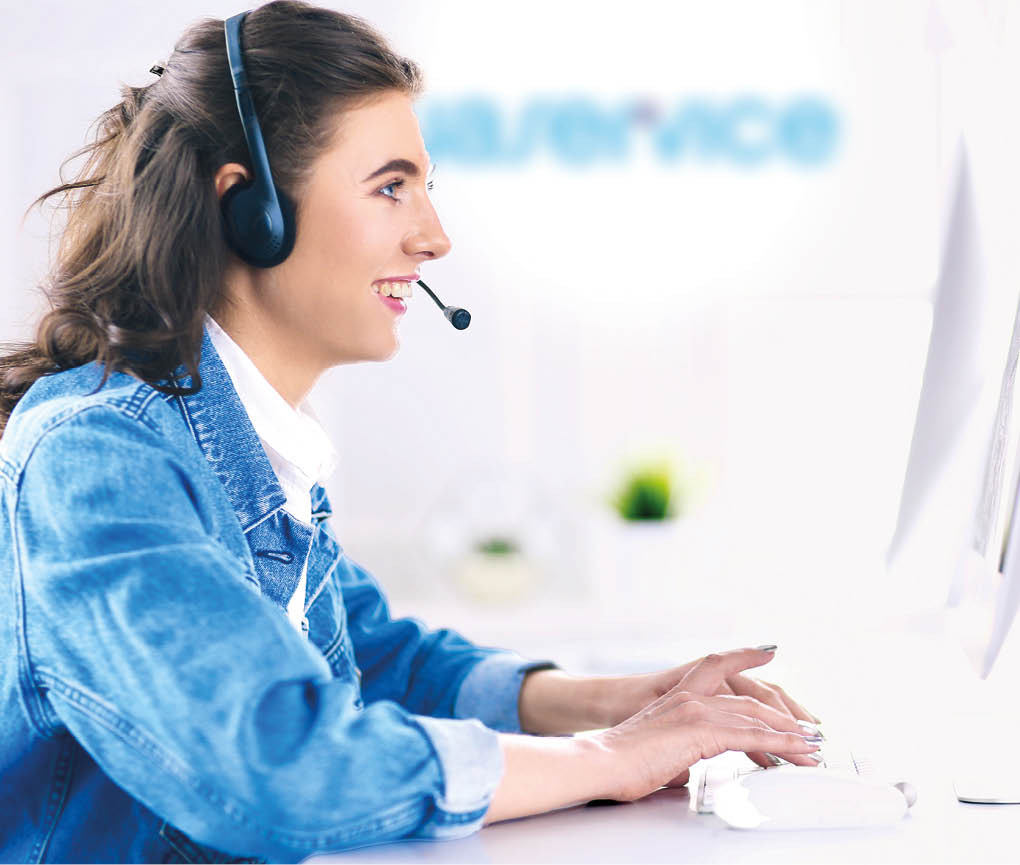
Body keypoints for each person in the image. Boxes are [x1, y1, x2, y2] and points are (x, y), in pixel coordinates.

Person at [0, 2, 823, 861]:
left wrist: (621, 701)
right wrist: (606, 759)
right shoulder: (99, 458)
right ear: (252, 210)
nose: (434, 237)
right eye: (391, 187)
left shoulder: (248, 447)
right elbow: (279, 765)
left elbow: (382, 662)